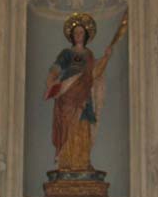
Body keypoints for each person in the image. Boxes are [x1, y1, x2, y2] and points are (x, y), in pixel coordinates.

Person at [44, 13, 113, 172]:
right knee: (68, 128)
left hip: (83, 97)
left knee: (83, 127)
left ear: (86, 35)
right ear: (72, 36)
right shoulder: (66, 53)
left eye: (81, 32)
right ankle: (66, 162)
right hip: (67, 95)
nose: (78, 35)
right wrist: (52, 82)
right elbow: (55, 70)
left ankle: (82, 163)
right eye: (75, 32)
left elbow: (94, 73)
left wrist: (106, 57)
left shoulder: (89, 55)